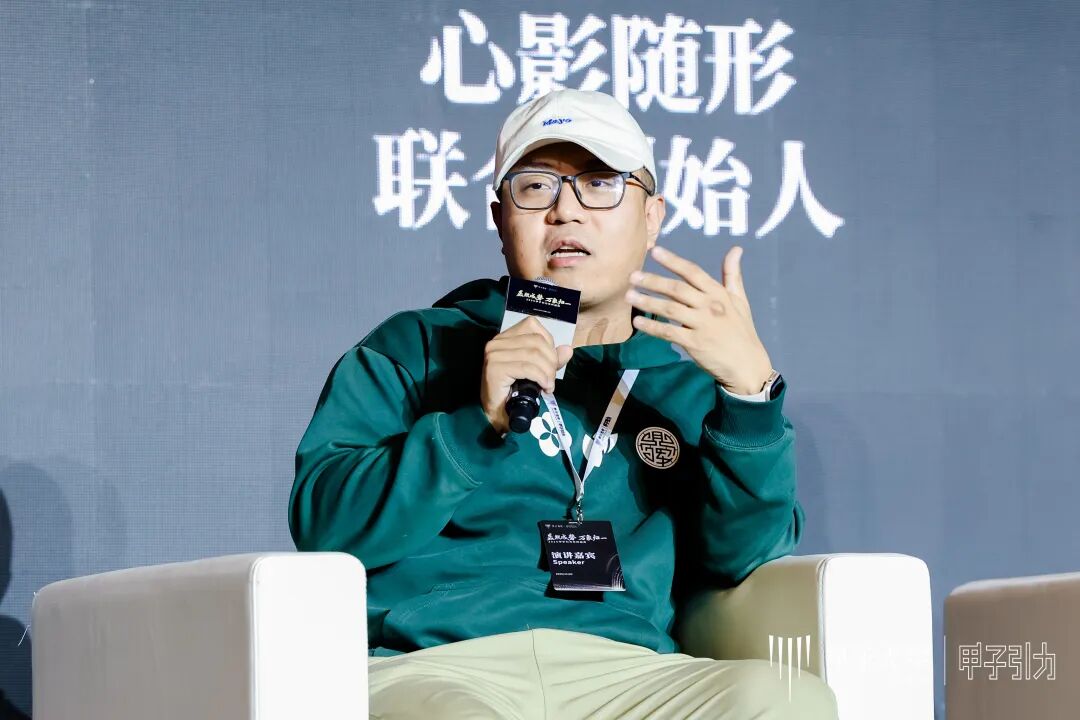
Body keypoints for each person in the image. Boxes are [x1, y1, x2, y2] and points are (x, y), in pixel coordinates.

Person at [289, 88, 837, 719]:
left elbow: (741, 557)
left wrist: (748, 396)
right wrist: (472, 426)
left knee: (785, 700)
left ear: (652, 215)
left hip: (628, 674)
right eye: (536, 187)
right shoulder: (417, 347)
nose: (566, 211)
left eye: (600, 183)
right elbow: (325, 526)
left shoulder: (683, 392)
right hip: (433, 665)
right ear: (500, 218)